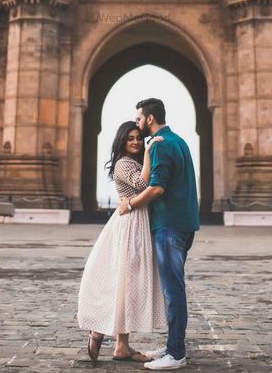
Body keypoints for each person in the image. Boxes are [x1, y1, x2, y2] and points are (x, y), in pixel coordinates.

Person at [118, 98, 200, 371]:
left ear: (150, 118)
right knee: (172, 289)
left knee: (173, 291)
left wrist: (129, 204)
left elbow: (157, 188)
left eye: (139, 118)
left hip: (169, 226)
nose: (138, 124)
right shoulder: (178, 140)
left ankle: (176, 353)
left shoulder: (160, 145)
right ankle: (172, 346)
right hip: (184, 223)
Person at [77, 120, 166, 363]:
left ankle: (122, 347)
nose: (136, 141)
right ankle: (98, 330)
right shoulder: (123, 163)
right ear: (121, 141)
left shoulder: (133, 162)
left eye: (138, 137)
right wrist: (149, 151)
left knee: (129, 284)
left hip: (137, 224)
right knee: (124, 283)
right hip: (129, 227)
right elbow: (142, 184)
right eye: (130, 138)